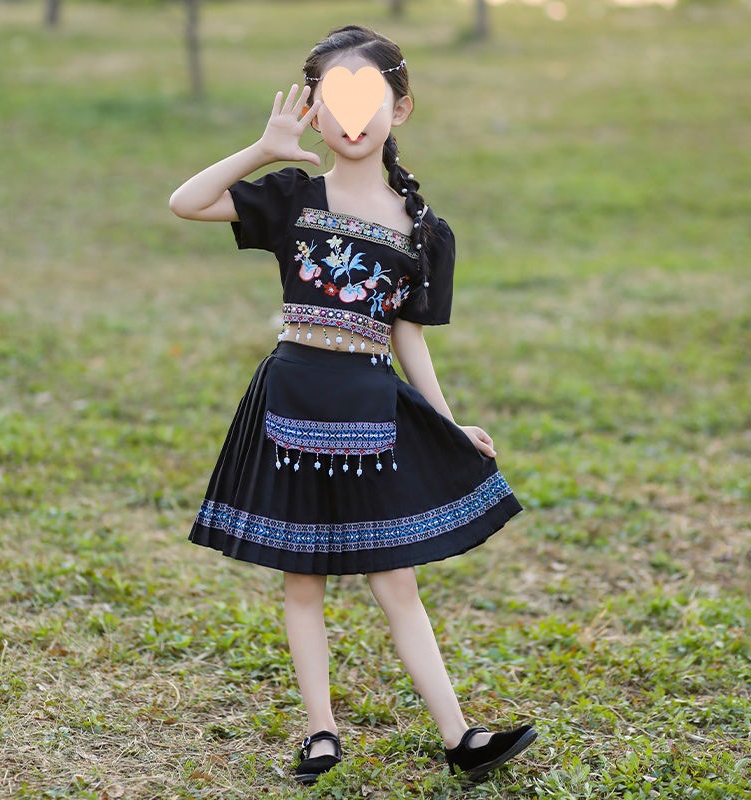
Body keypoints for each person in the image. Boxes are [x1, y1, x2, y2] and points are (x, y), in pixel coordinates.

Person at [169, 23, 536, 786]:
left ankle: (460, 736)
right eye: (333, 99)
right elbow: (186, 201)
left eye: (368, 98)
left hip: (371, 413)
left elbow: (409, 339)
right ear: (313, 110)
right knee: (301, 579)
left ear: (400, 108)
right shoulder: (292, 198)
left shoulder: (423, 231)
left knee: (396, 583)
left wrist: (448, 423)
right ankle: (320, 733)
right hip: (290, 404)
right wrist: (263, 149)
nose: (352, 117)